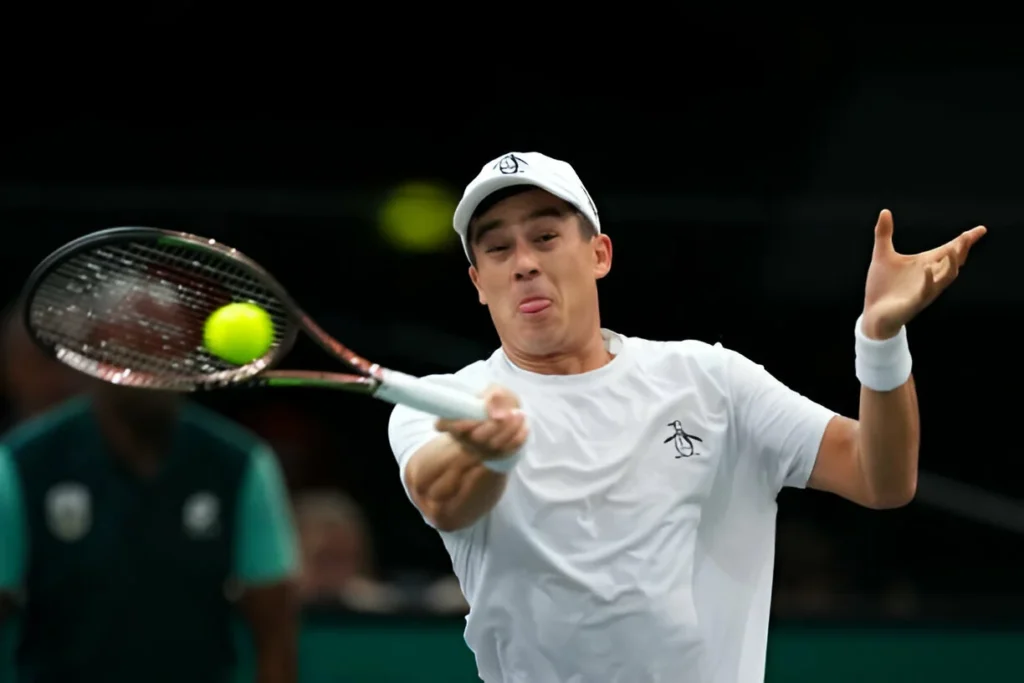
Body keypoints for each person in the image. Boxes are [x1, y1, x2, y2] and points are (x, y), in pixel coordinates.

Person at [387, 151, 986, 683]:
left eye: (545, 237)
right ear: (478, 282)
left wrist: (880, 340)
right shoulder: (446, 400)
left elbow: (882, 478)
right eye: (497, 248)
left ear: (599, 255)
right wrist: (486, 449)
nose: (522, 263)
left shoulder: (711, 381)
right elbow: (442, 497)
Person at [0, 309, 300, 683]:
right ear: (96, 354)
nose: (155, 361)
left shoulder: (241, 463)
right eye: (136, 345)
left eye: (168, 346)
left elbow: (275, 634)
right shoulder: (20, 462)